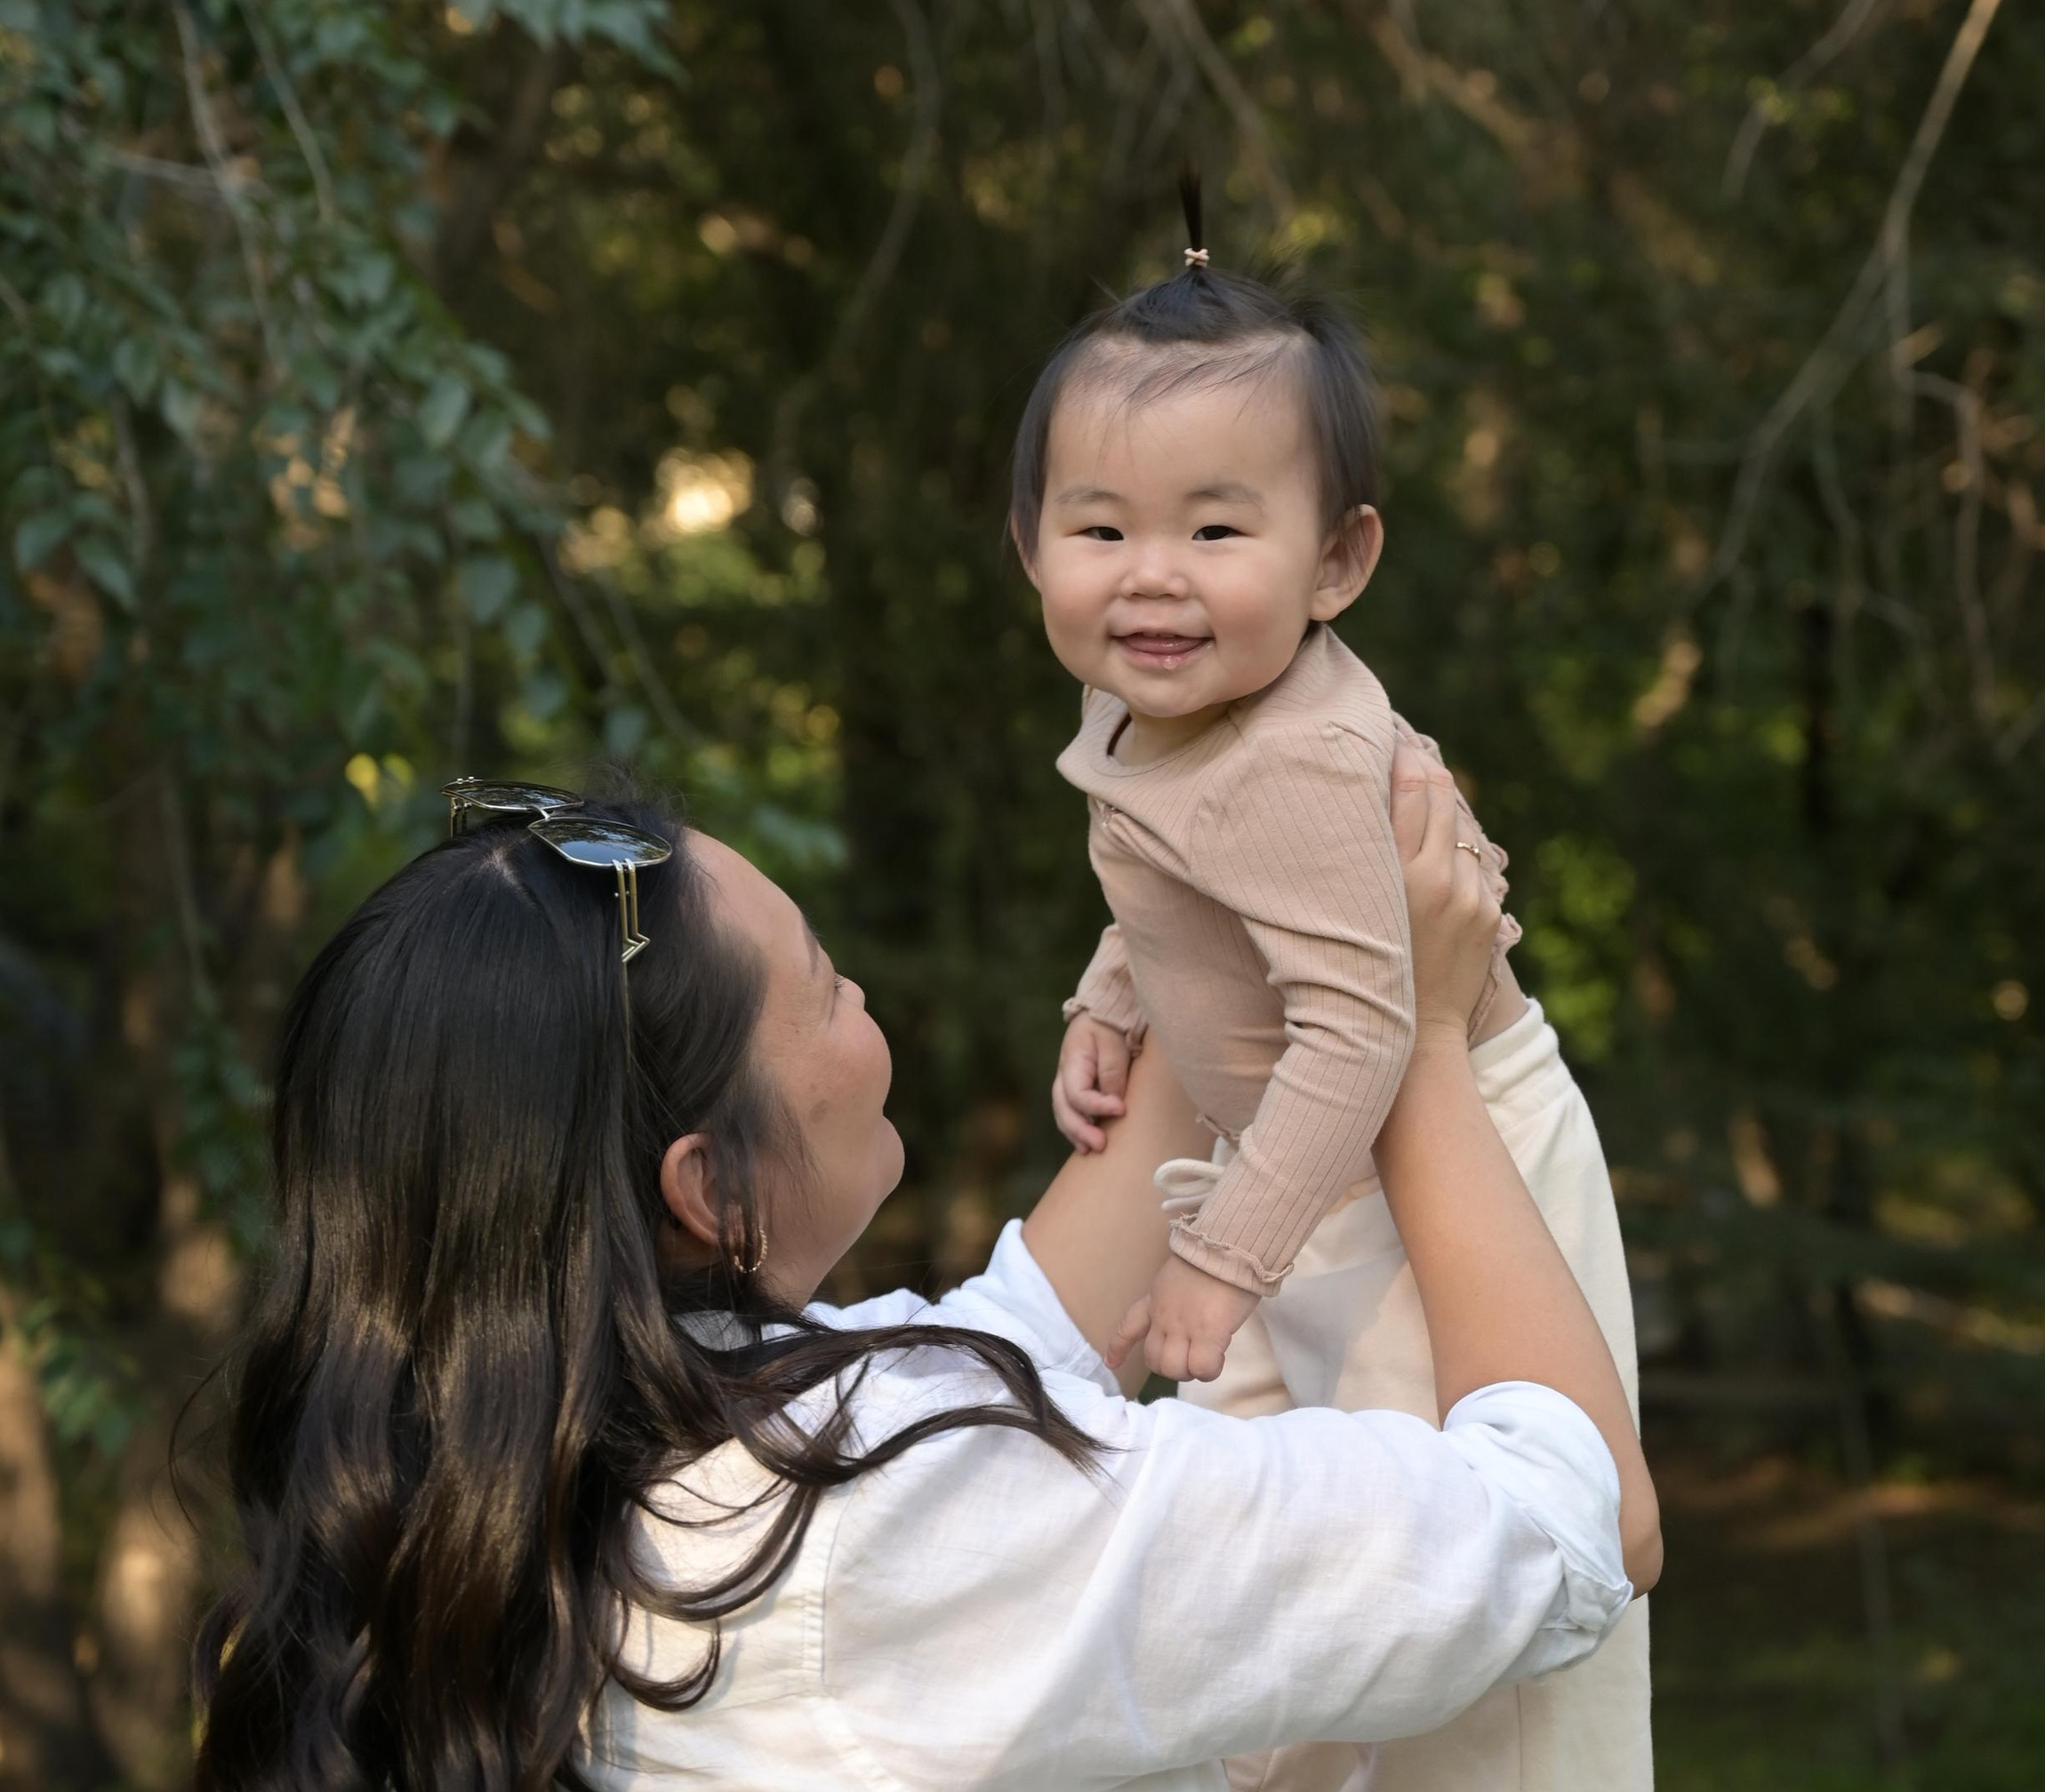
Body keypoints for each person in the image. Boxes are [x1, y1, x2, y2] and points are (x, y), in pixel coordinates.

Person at [190, 748, 1656, 1792]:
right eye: (826, 987)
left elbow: (1007, 1342)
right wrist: (1426, 1042)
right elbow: (1573, 1520)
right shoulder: (871, 1523)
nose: (864, 1002)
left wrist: (1206, 954)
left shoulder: (510, 1504)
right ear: (710, 1190)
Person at [1011, 176, 1652, 1791]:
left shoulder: (1297, 758)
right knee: (1247, 1583)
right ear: (1033, 548)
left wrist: (1223, 1261)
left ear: (1338, 561)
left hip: (1444, 1169)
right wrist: (1113, 1000)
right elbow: (1174, 887)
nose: (1152, 576)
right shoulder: (1159, 711)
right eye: (1102, 529)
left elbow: (1372, 1016)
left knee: (1472, 1605)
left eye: (1217, 530)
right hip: (1296, 1145)